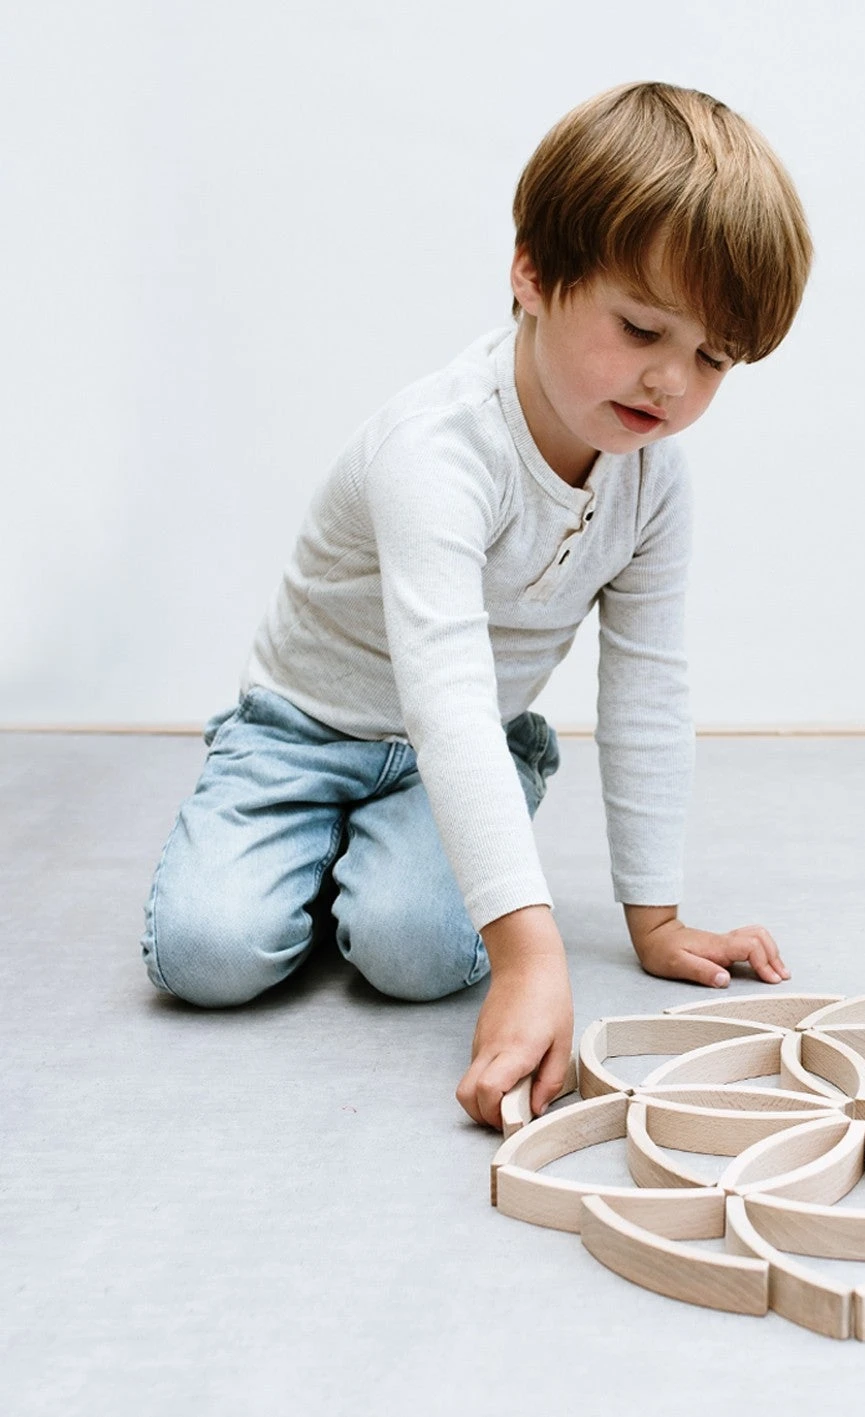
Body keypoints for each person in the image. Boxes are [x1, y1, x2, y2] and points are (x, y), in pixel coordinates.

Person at [140, 80, 813, 1129]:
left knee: (412, 956)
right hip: (301, 732)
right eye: (641, 328)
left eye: (711, 357)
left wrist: (655, 919)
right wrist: (530, 955)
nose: (671, 383)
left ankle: (426, 826)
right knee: (207, 956)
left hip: (450, 753)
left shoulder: (652, 481)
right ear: (533, 274)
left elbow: (645, 687)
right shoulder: (436, 452)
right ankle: (316, 834)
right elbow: (444, 692)